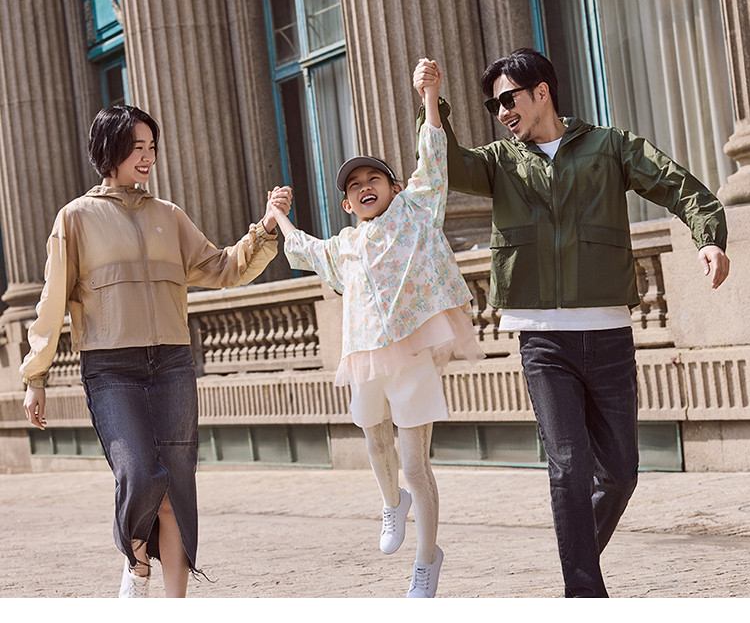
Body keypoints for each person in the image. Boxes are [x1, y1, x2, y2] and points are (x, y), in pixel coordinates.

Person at [412, 49, 730, 599]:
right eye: (493, 105)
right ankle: (583, 594)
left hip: (608, 334)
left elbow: (674, 183)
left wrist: (709, 238)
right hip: (542, 339)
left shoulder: (610, 147)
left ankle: (575, 558)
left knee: (621, 474)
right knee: (568, 465)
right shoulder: (500, 161)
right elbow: (446, 165)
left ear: (542, 92)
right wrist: (430, 101)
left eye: (508, 99)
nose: (501, 112)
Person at [21, 104, 291, 599]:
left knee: (176, 491)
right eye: (136, 148)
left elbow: (222, 267)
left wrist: (266, 229)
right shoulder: (75, 218)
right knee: (140, 474)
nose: (146, 157)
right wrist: (35, 376)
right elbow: (52, 299)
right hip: (111, 368)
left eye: (151, 148)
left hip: (171, 363)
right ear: (109, 151)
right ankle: (137, 563)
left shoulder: (170, 216)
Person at [267, 62, 482, 598]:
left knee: (414, 463)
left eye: (374, 180)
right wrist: (278, 215)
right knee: (374, 439)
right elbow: (305, 250)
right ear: (346, 204)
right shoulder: (345, 245)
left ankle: (427, 560)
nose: (365, 188)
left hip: (412, 354)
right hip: (365, 356)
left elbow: (432, 158)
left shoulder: (416, 210)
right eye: (355, 186)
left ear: (394, 187)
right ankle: (391, 504)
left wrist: (429, 93)